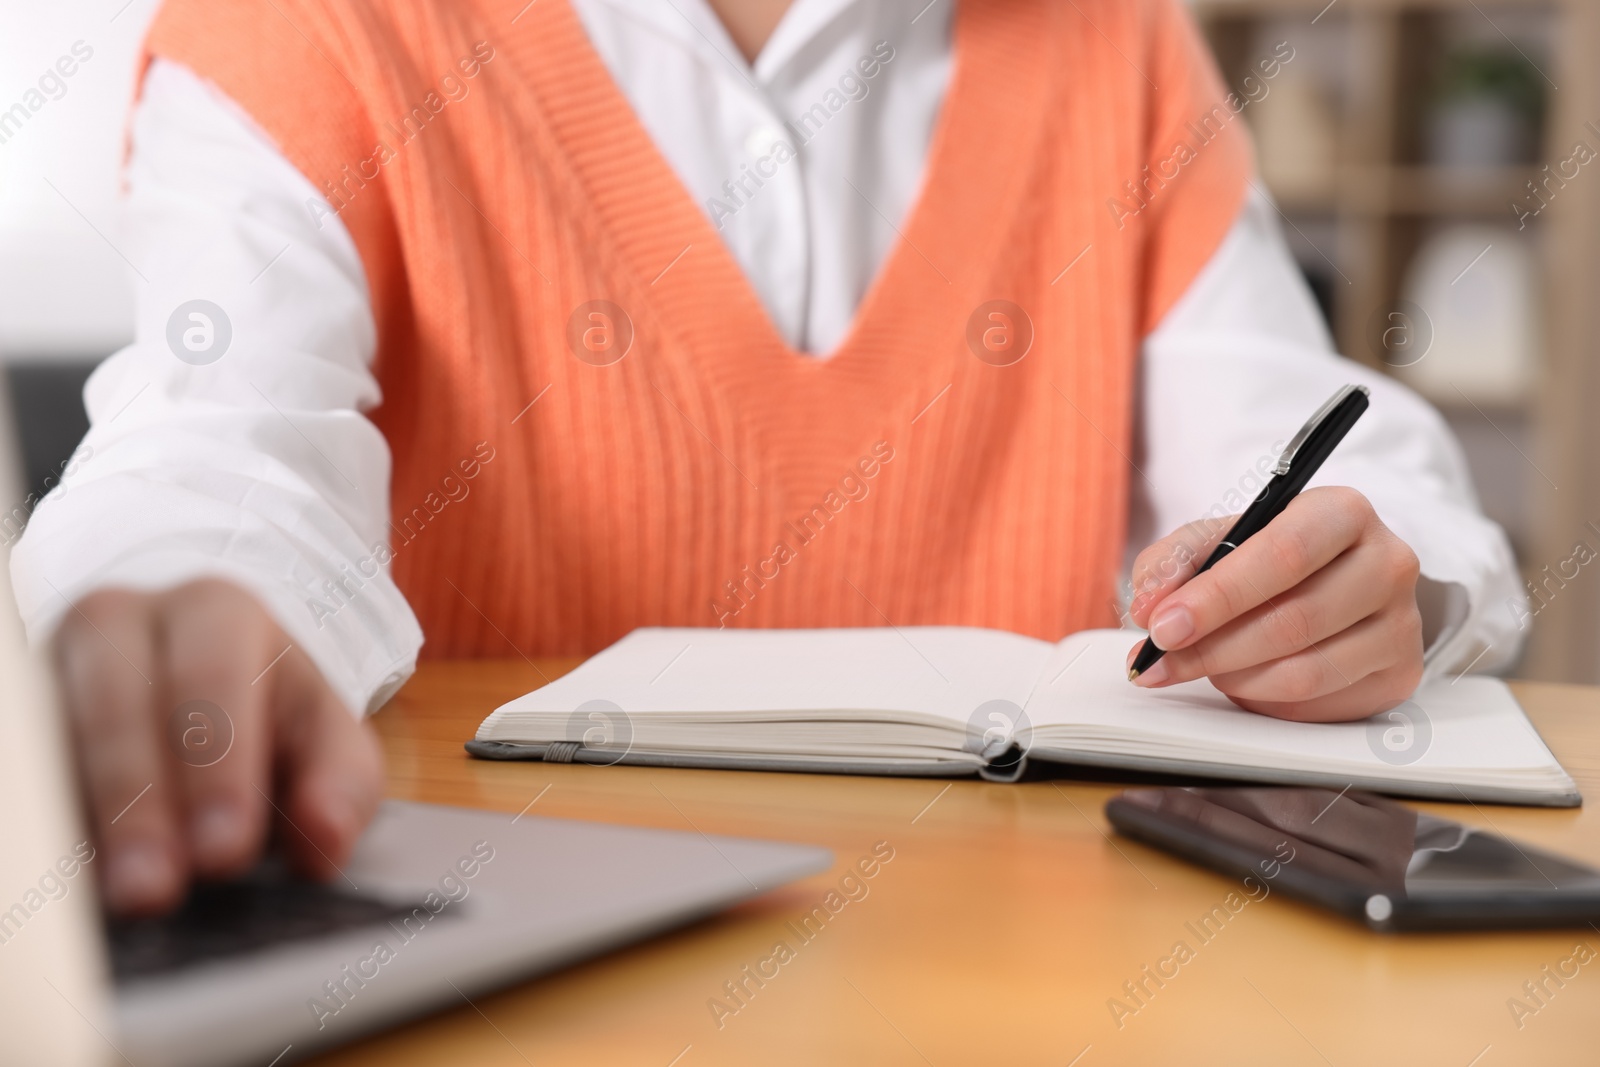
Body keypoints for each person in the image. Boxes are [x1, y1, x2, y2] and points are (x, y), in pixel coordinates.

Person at [11, 0, 1522, 916]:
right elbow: (216, 447)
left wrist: (1377, 570)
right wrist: (178, 609)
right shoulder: (315, 30)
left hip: (1033, 992)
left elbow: (1292, 429)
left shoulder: (1110, 45)